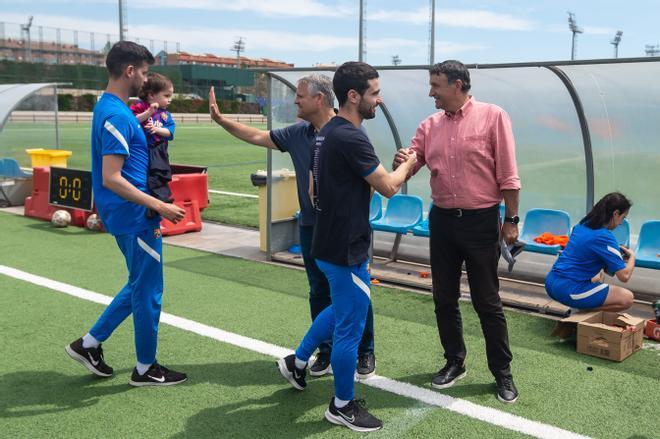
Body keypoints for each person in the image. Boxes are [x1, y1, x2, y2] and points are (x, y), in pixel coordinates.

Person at [277, 61, 417, 432]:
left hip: (328, 240)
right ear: (353, 96)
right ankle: (341, 405)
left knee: (341, 309)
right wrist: (410, 167)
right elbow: (387, 187)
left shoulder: (327, 132)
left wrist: (386, 172)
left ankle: (298, 361)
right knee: (350, 327)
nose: (379, 99)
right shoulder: (349, 136)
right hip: (345, 246)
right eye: (374, 92)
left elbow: (315, 190)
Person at [209, 75, 377, 378]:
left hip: (344, 231)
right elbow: (258, 137)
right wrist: (222, 121)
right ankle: (325, 352)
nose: (295, 101)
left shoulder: (348, 133)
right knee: (319, 291)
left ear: (320, 99)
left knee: (356, 293)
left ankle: (365, 351)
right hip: (312, 226)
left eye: (300, 96)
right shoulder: (298, 133)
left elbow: (372, 184)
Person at [394, 60, 521, 404]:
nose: (430, 92)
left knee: (487, 301)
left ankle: (502, 373)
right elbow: (413, 161)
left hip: (481, 221)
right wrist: (402, 161)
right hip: (443, 221)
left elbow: (508, 174)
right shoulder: (429, 125)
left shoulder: (493, 116)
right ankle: (455, 361)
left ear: (459, 85)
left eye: (436, 85)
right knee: (443, 297)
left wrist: (512, 220)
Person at [65, 41, 187, 386]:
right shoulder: (116, 114)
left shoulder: (111, 107)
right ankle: (146, 368)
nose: (146, 80)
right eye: (145, 72)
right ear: (130, 71)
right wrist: (159, 205)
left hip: (130, 214)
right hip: (135, 216)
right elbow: (111, 177)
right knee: (149, 290)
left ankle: (88, 344)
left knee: (139, 283)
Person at [546, 192, 635, 312]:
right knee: (627, 298)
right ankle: (579, 316)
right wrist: (632, 257)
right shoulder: (605, 237)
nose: (620, 223)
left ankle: (578, 312)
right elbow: (624, 276)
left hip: (551, 283)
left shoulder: (581, 226)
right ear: (615, 214)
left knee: (598, 275)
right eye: (623, 218)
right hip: (569, 290)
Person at [130, 72, 177, 212]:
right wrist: (148, 112)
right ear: (151, 95)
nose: (170, 100)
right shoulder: (139, 106)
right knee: (140, 176)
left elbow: (170, 132)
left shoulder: (165, 115)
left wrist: (157, 129)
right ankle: (141, 202)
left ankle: (160, 202)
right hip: (139, 149)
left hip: (158, 150)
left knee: (158, 176)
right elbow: (131, 122)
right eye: (166, 96)